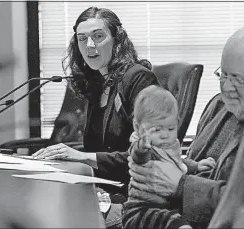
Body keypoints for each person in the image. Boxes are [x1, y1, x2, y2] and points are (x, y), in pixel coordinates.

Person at [125, 26, 244, 229]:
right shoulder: (219, 105)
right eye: (223, 76)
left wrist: (182, 186)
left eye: (238, 79)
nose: (226, 87)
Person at [32, 6, 158, 228]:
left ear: (116, 39)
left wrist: (82, 157)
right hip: (103, 191)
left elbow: (148, 156)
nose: (89, 46)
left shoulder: (137, 79)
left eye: (98, 36)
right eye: (82, 39)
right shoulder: (97, 82)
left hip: (134, 198)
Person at [123, 85, 216, 229]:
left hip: (166, 206)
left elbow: (177, 161)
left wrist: (196, 166)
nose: (165, 134)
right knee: (175, 222)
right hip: (141, 210)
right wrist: (142, 145)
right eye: (157, 129)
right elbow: (138, 157)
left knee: (175, 218)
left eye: (171, 128)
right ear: (138, 127)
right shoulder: (145, 147)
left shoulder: (171, 144)